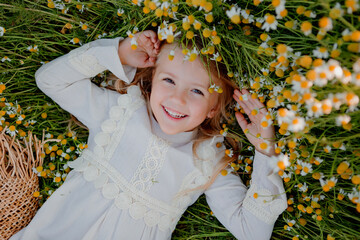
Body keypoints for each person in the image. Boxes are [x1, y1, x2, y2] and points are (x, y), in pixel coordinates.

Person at [10, 30, 287, 240]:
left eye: (197, 91)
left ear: (213, 109)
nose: (177, 99)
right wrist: (118, 52)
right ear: (152, 80)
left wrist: (266, 149)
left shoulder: (207, 163)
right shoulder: (118, 113)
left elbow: (253, 232)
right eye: (168, 80)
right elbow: (49, 80)